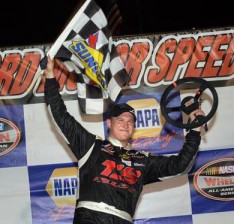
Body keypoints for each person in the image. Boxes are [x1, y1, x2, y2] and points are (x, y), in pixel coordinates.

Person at [44, 57, 205, 224]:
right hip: (90, 217)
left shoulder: (143, 160)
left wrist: (195, 129)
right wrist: (49, 75)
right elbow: (60, 116)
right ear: (109, 123)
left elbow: (180, 166)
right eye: (120, 120)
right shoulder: (92, 146)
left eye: (130, 121)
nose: (125, 125)